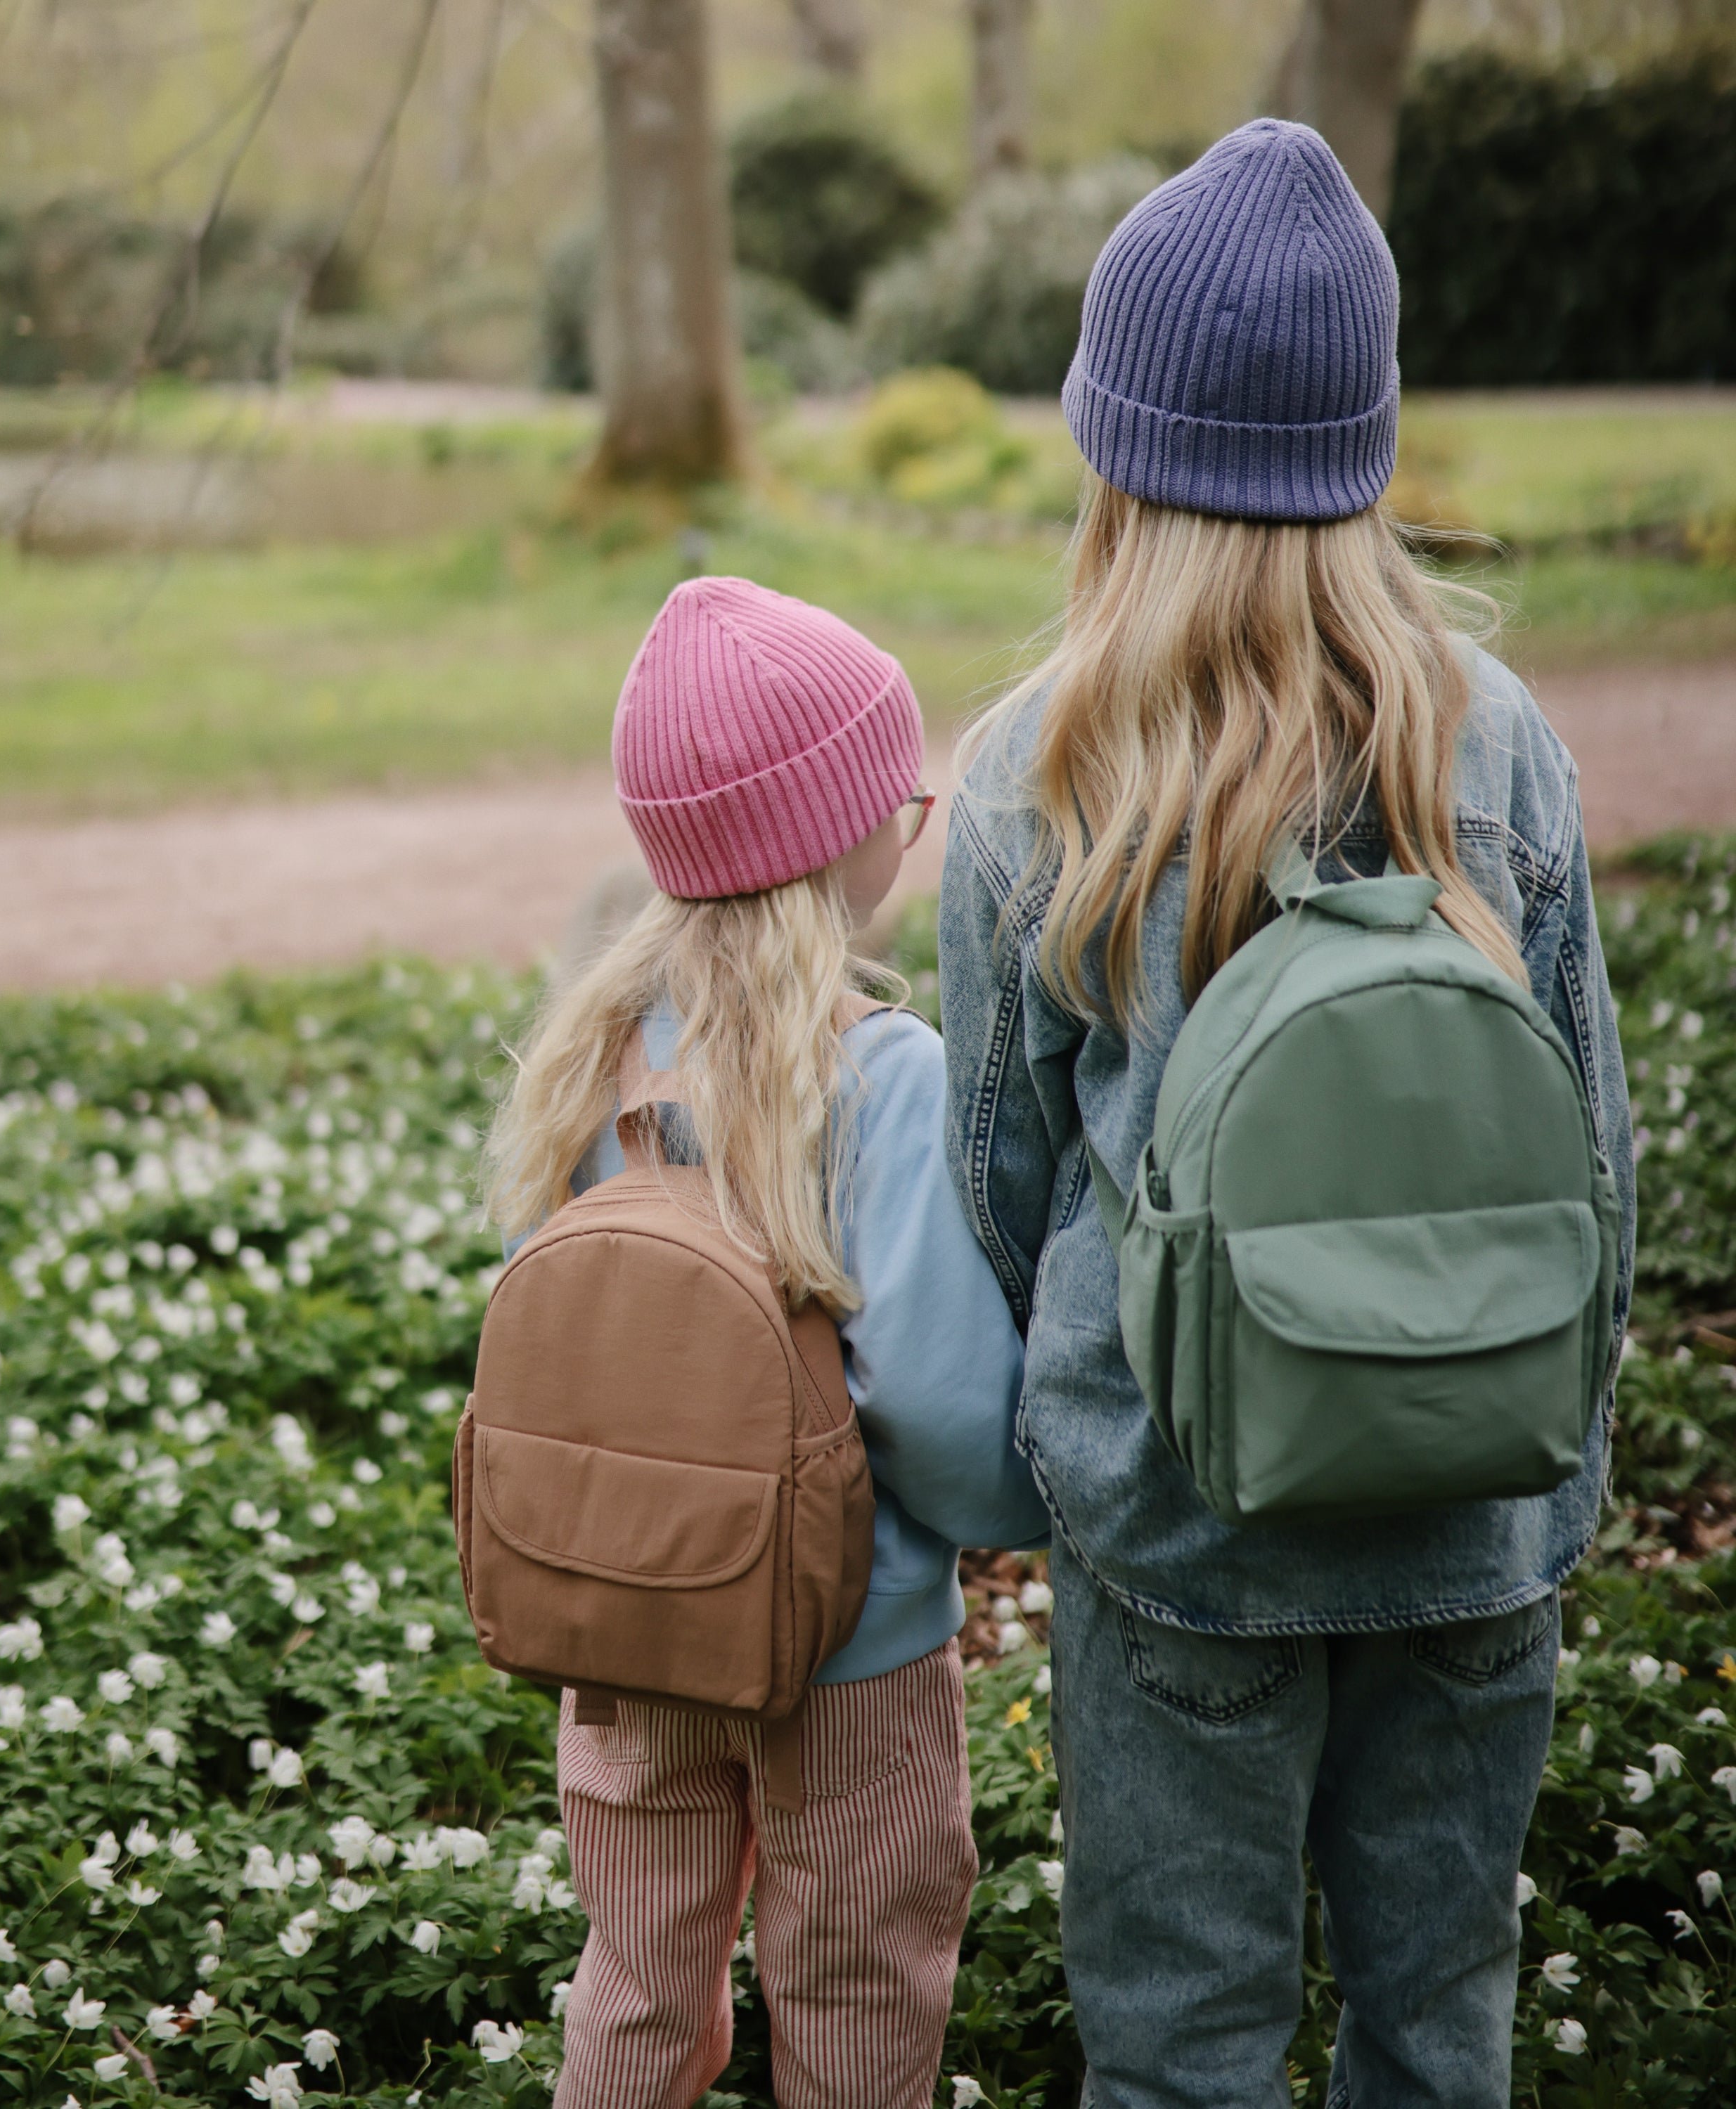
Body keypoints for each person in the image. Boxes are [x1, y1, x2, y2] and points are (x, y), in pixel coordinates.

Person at [936, 120, 1634, 2108]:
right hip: (1475, 1508)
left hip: (1182, 1520)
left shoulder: (1042, 775)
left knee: (1181, 2051)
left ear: (1115, 449)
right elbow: (1592, 1153)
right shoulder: (1496, 745)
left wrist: (1083, 1416)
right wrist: (1552, 1459)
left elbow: (1001, 1183)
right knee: (1439, 2028)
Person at [486, 574, 1047, 2109]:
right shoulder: (872, 1076)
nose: (918, 809)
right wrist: (1023, 1503)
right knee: (859, 1976)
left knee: (639, 1975)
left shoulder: (595, 1054)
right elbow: (935, 1400)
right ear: (831, 839)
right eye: (894, 794)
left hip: (629, 1621)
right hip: (843, 1648)